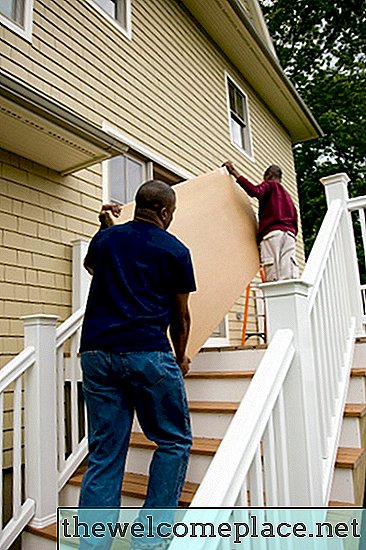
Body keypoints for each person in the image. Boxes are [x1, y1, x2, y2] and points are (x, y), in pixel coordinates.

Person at [78, 180, 196, 549]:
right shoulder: (175, 250)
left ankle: (93, 544)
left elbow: (94, 266)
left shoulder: (107, 240)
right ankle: (149, 541)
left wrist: (104, 226)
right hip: (147, 353)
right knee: (173, 440)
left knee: (105, 452)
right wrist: (180, 358)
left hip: (97, 354)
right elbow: (181, 317)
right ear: (164, 212)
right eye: (172, 213)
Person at [222, 161, 299, 282]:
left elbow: (254, 191)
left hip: (273, 235)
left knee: (273, 273)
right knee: (287, 274)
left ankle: (274, 299)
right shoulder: (288, 197)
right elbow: (295, 219)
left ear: (268, 176)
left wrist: (234, 172)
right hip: (289, 236)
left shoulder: (269, 185)